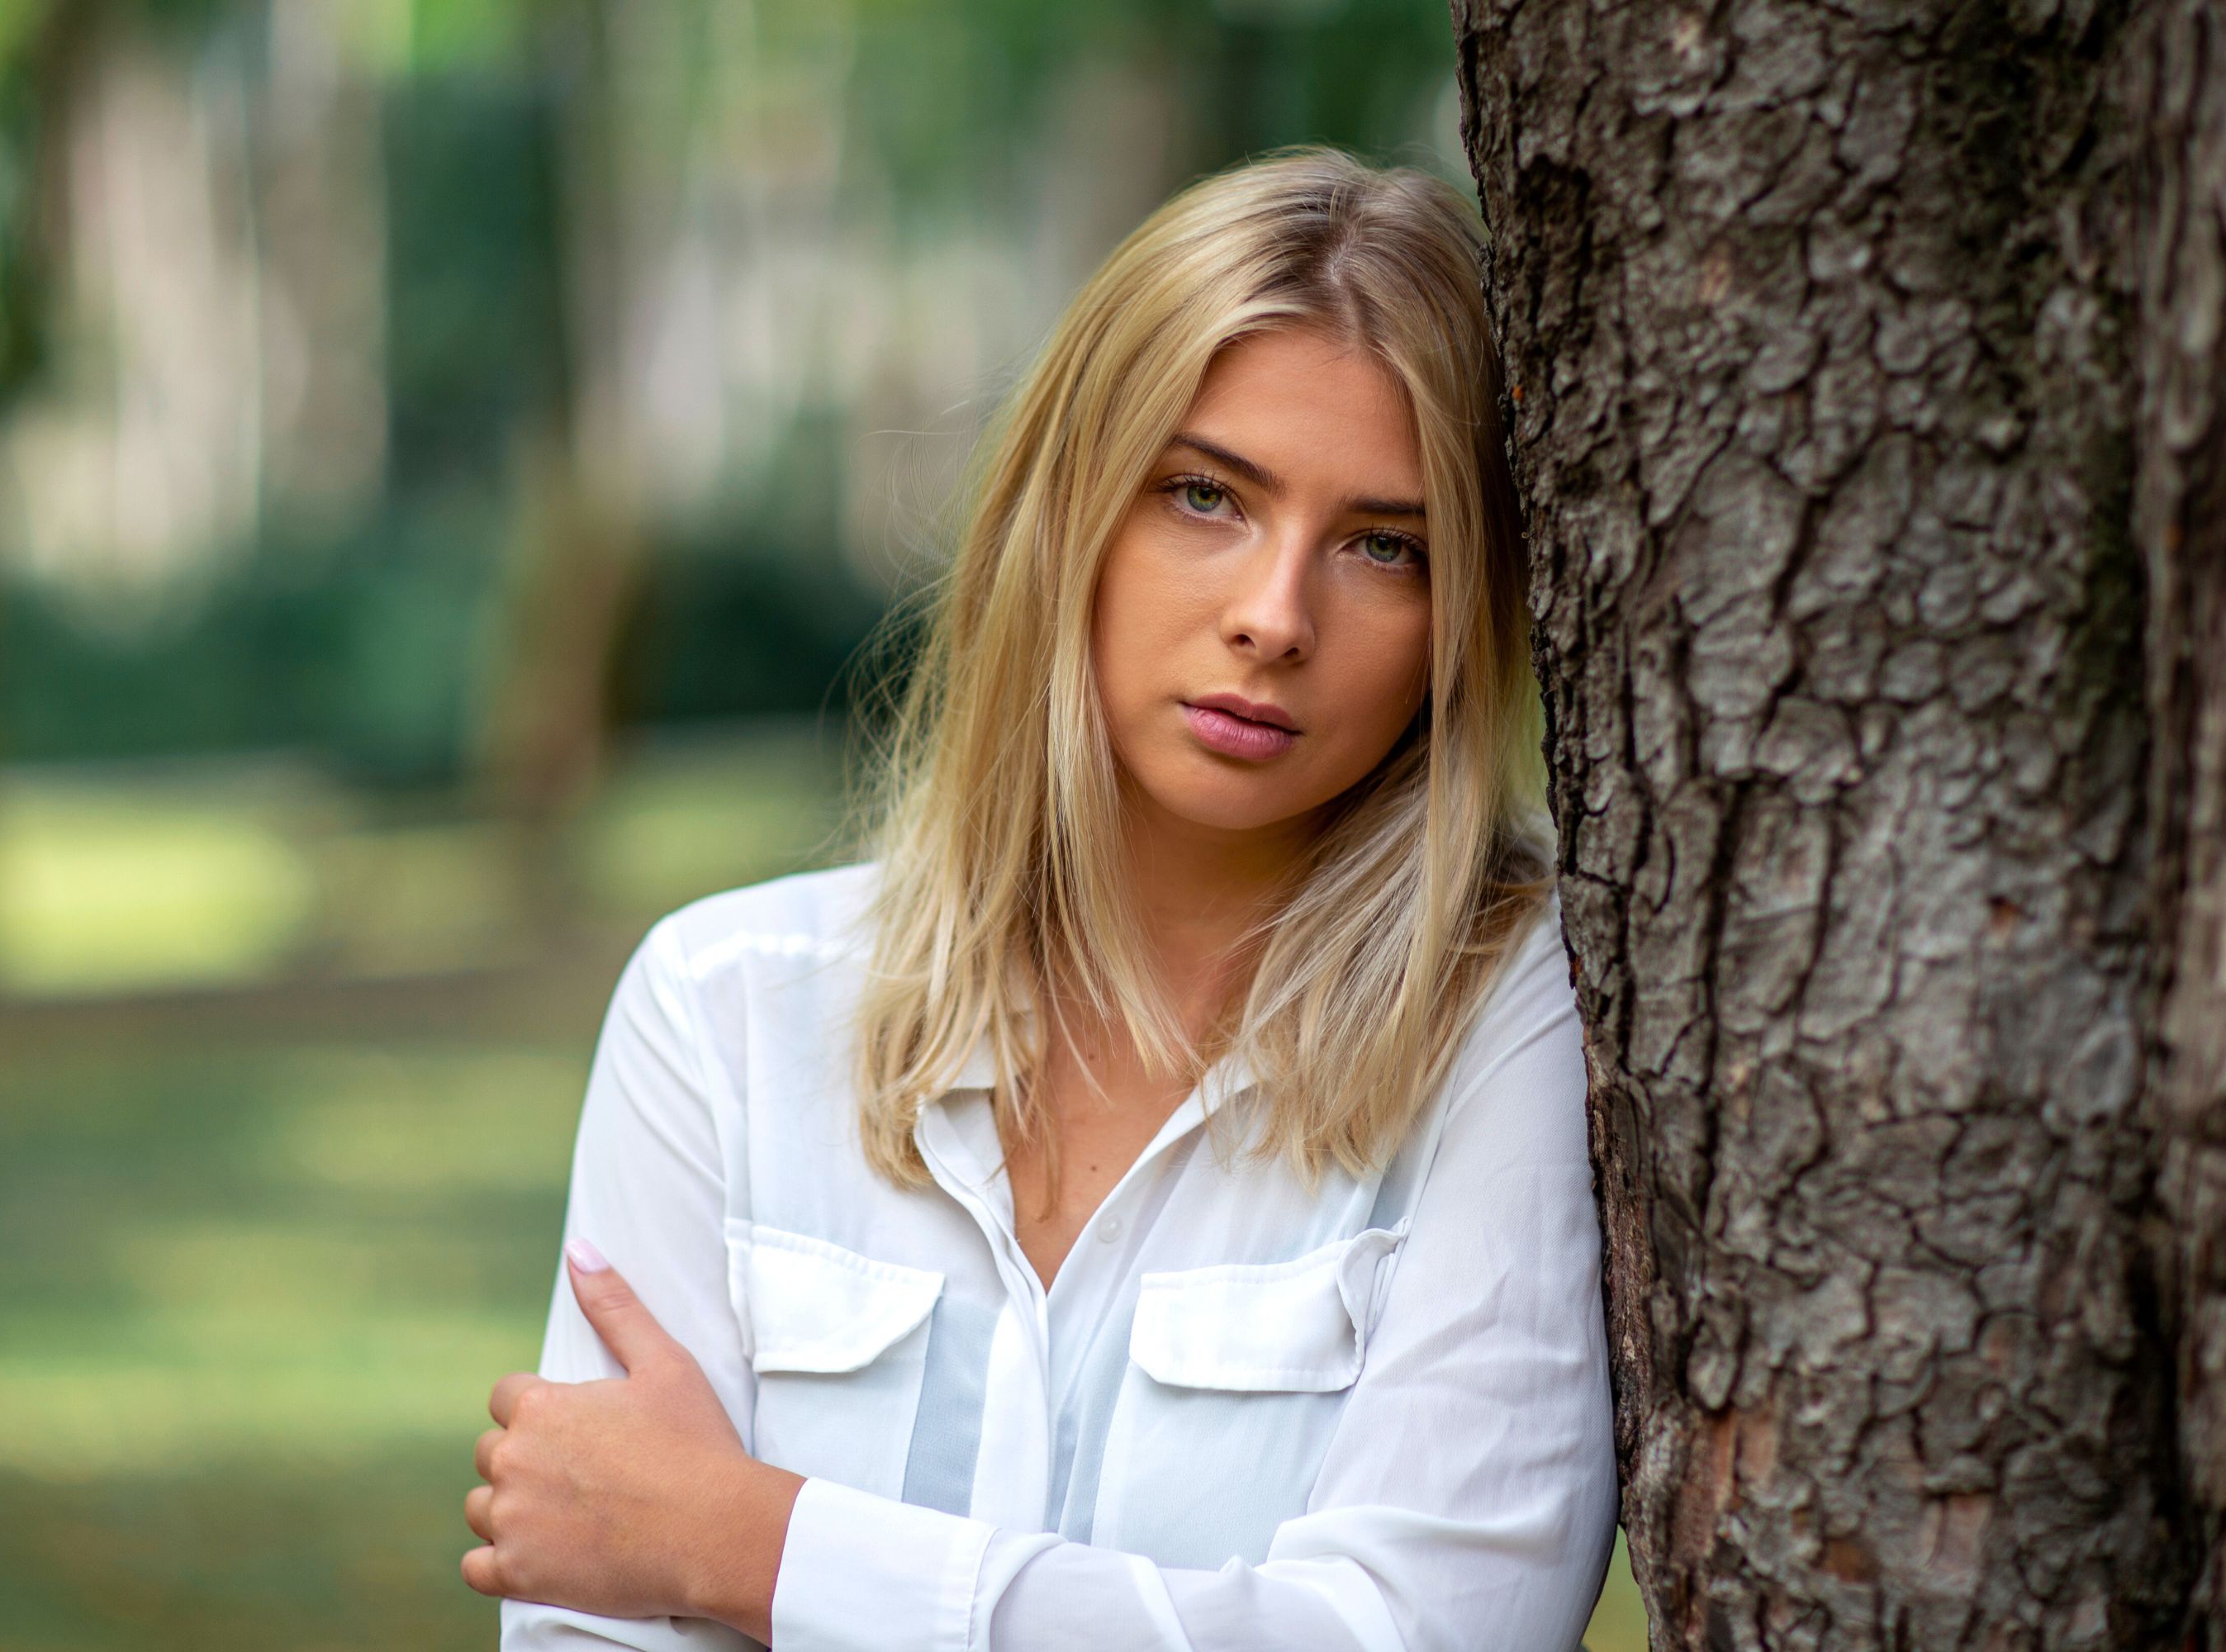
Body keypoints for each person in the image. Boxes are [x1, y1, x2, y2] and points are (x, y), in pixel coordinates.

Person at [461, 146, 1617, 1652]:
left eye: (1384, 545)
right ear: (1064, 513)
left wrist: (751, 1545)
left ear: (1462, 615)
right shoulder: (724, 1012)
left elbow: (1420, 1635)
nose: (1276, 617)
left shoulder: (1516, 1016)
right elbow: (591, 1616)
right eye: (1206, 496)